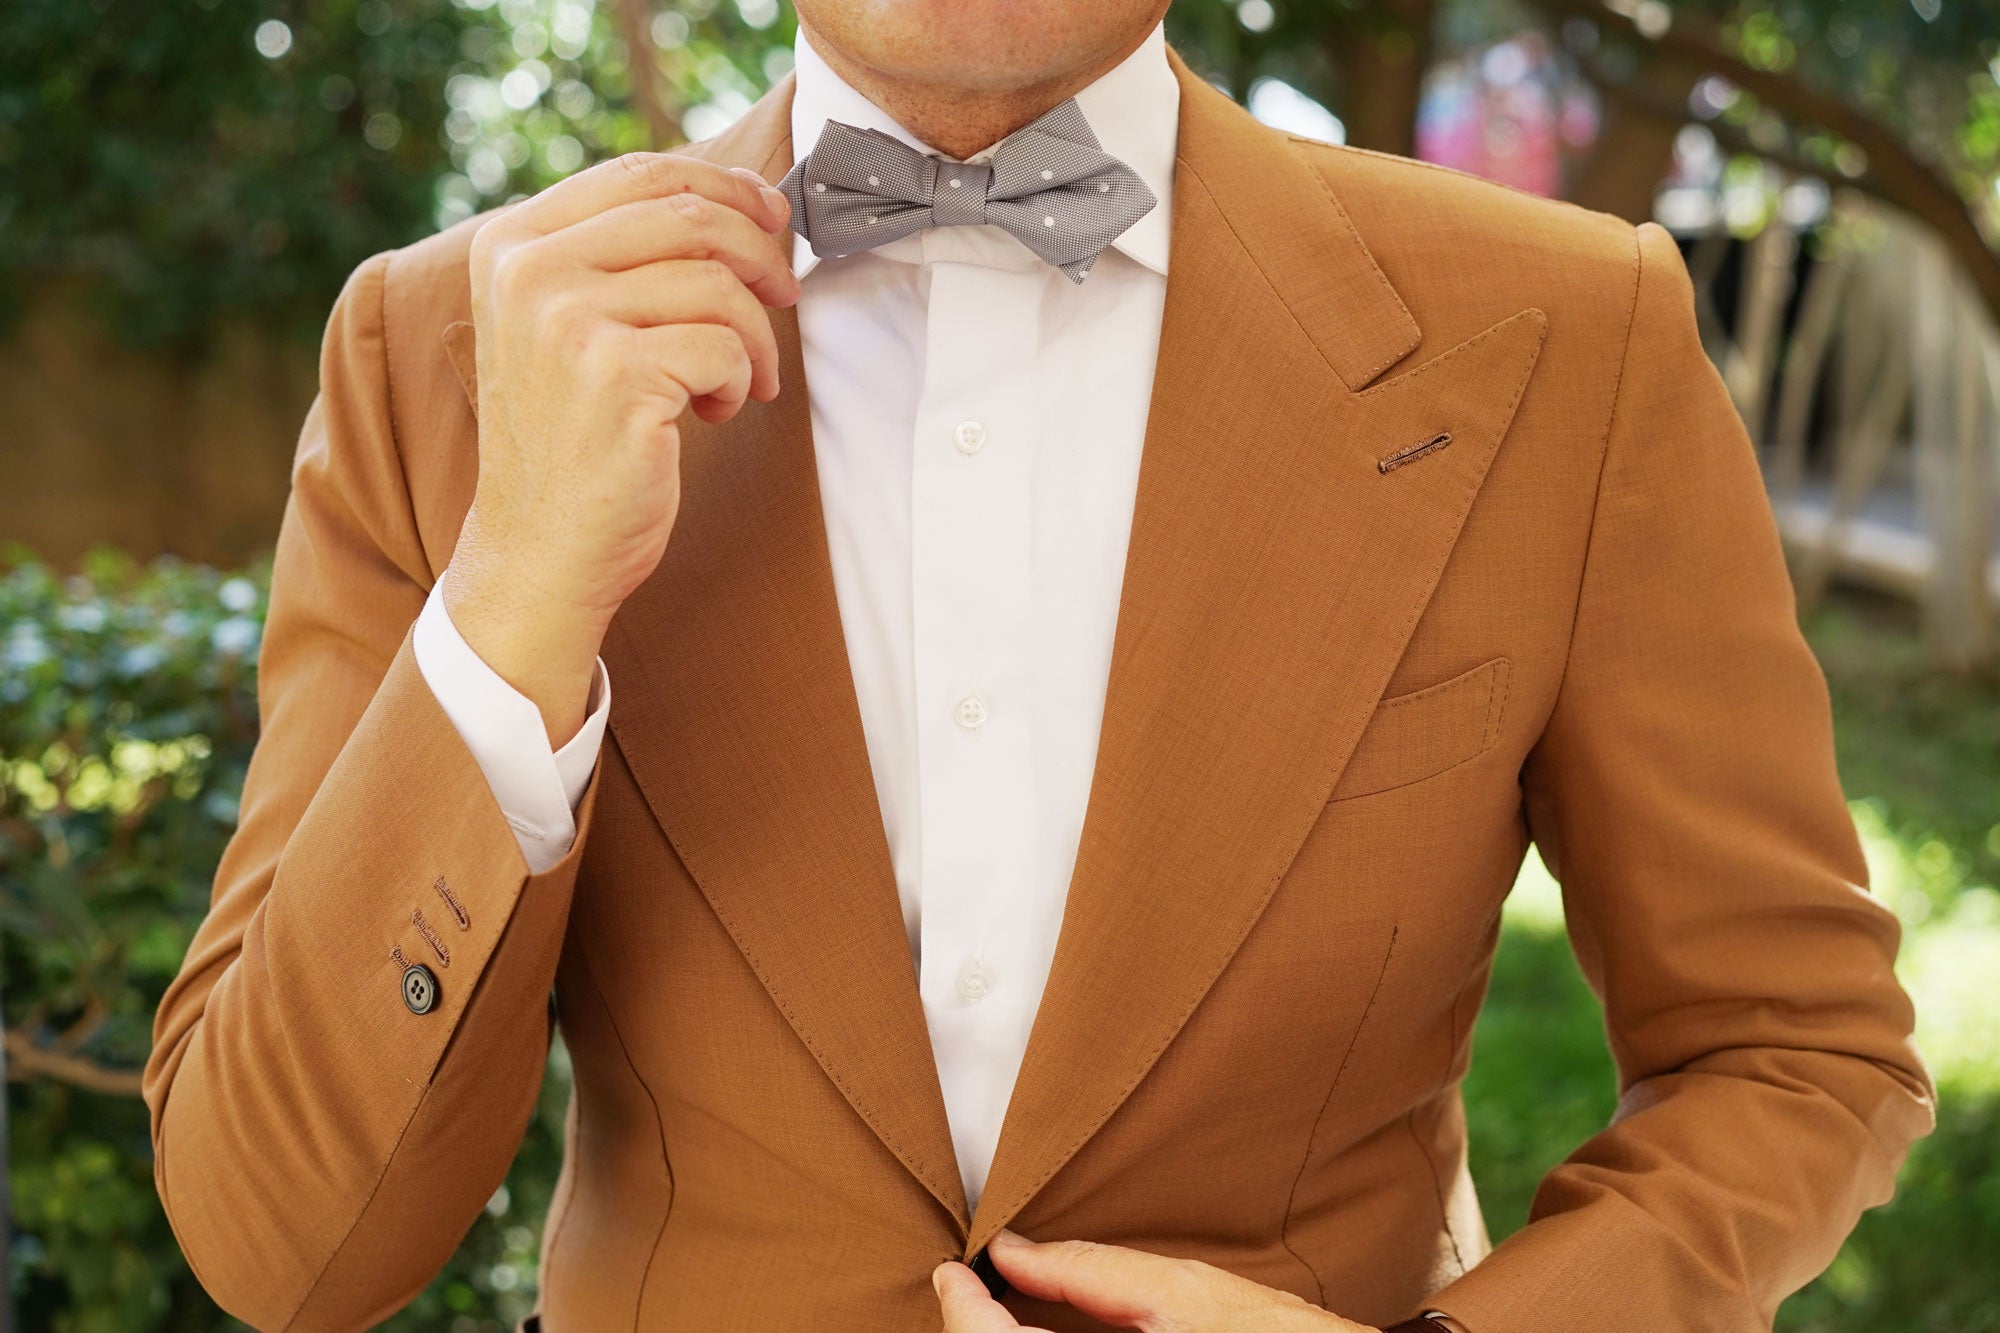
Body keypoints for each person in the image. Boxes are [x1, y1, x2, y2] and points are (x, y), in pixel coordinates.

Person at [142, 1, 1935, 1329]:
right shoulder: (439, 352)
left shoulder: (1571, 336)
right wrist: (518, 593)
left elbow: (1791, 1049)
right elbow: (279, 1239)